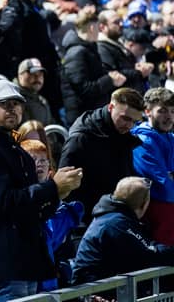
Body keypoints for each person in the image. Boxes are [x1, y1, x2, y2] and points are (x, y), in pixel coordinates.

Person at [0, 78, 82, 301]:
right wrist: (53, 187)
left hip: (25, 266)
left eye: (16, 104)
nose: (12, 109)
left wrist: (57, 195)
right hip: (2, 270)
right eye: (4, 104)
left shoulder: (14, 149)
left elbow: (30, 212)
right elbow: (7, 204)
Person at [59, 88, 144, 222]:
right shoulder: (81, 138)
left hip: (114, 215)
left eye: (135, 121)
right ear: (111, 107)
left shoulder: (122, 134)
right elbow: (66, 189)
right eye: (125, 118)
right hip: (88, 221)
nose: (129, 126)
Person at [72, 177, 174, 284]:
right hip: (92, 293)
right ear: (144, 205)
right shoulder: (116, 223)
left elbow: (146, 245)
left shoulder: (114, 216)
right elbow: (148, 255)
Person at [20, 138, 84, 291]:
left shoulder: (64, 208)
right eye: (33, 159)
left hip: (51, 279)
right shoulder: (19, 199)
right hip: (25, 278)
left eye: (43, 159)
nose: (40, 163)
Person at [61, 8, 126, 125]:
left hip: (91, 114)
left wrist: (109, 75)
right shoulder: (76, 53)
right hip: (81, 117)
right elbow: (84, 89)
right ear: (92, 28)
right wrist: (109, 80)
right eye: (97, 27)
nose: (99, 32)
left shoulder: (89, 48)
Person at [132, 87, 174, 244]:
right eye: (162, 111)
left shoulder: (169, 136)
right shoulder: (143, 140)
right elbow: (163, 185)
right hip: (156, 212)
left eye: (172, 111)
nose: (169, 116)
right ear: (147, 112)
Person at [15, 58, 53, 126]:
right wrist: (21, 136)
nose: (37, 77)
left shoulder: (43, 101)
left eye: (41, 74)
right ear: (20, 76)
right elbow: (10, 132)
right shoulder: (13, 100)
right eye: (32, 73)